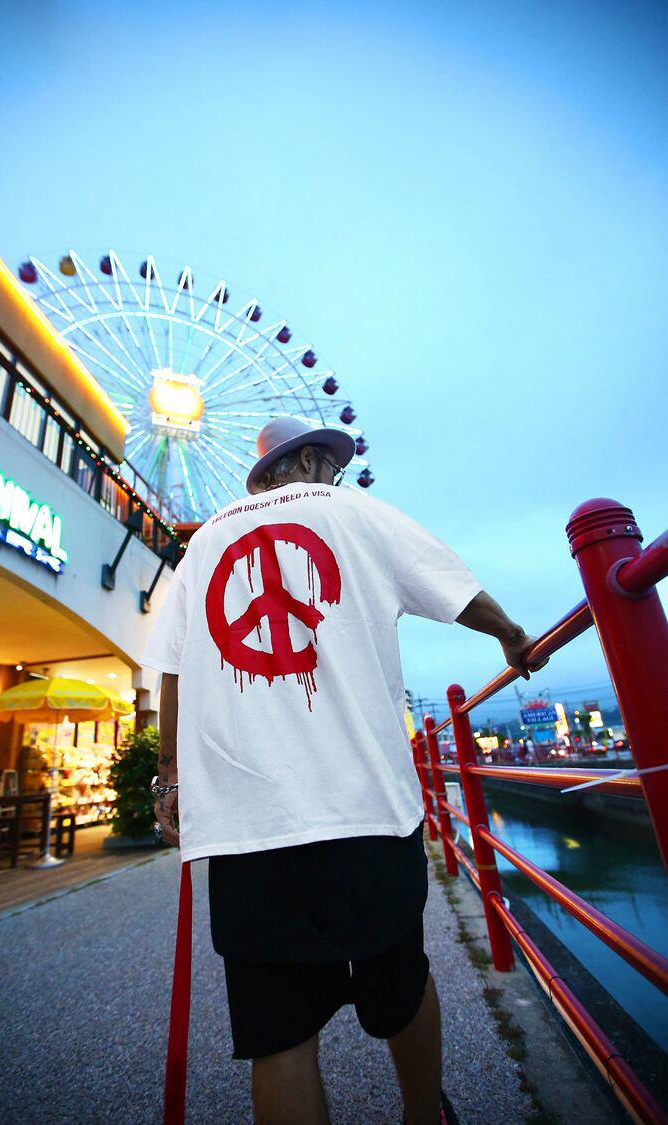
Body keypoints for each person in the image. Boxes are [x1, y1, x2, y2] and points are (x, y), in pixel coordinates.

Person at [142, 416, 545, 1125]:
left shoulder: (204, 543)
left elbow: (171, 672)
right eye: (327, 463)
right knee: (401, 985)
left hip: (248, 824)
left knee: (280, 1034)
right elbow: (453, 587)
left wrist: (170, 776)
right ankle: (424, 1116)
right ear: (303, 463)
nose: (333, 475)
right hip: (366, 807)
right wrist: (512, 634)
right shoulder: (354, 511)